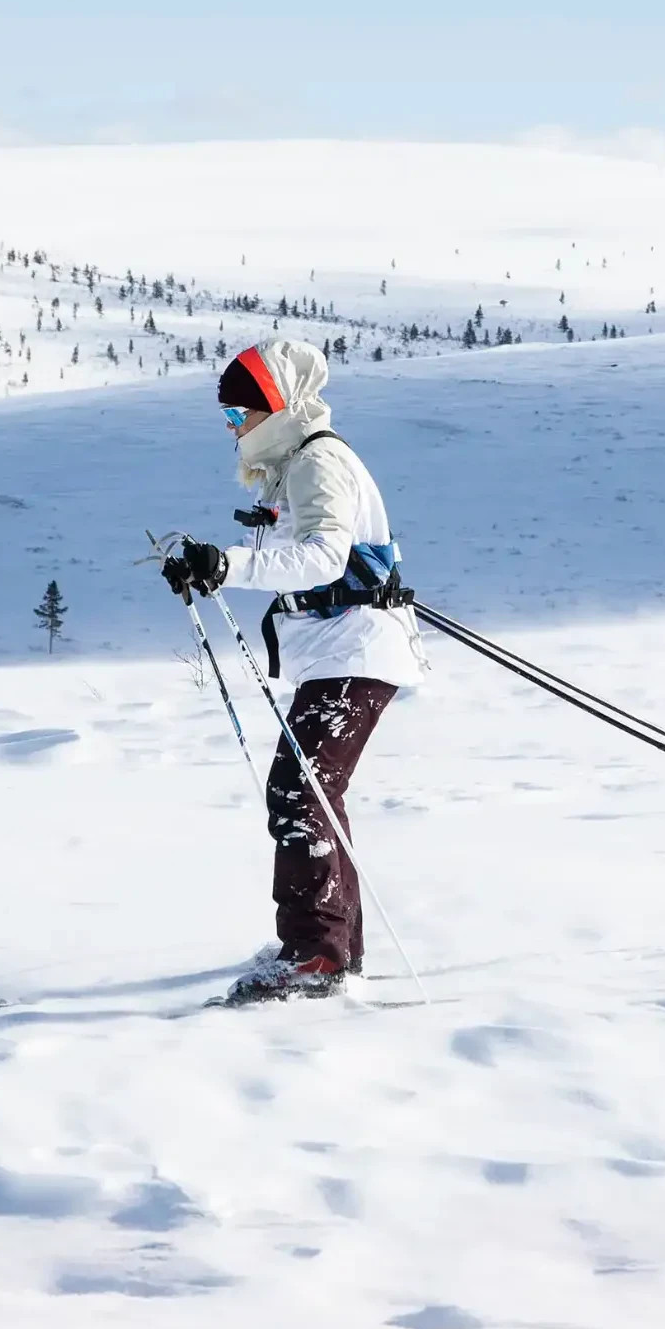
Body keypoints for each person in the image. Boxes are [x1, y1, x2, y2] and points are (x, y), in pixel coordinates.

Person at [161, 339, 426, 1002]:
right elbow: (287, 557)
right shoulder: (290, 467)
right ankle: (335, 946)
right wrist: (208, 564)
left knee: (298, 792)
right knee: (314, 792)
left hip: (357, 650)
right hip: (335, 654)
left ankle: (315, 955)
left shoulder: (318, 461)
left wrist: (232, 563)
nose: (233, 429)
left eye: (238, 415)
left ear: (274, 406)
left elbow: (323, 559)